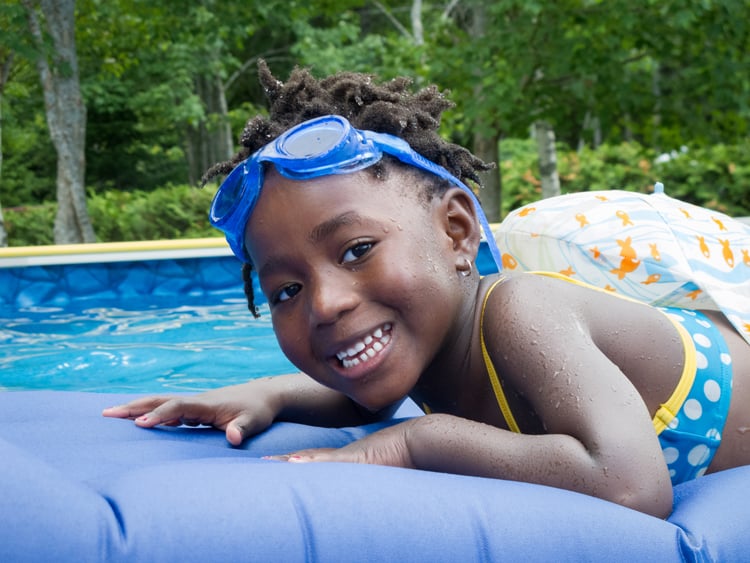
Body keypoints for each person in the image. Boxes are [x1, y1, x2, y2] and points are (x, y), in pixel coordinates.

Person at [103, 61, 750, 518]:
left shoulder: (522, 312)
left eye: (357, 250)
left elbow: (633, 485)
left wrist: (417, 441)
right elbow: (364, 396)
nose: (325, 303)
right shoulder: (425, 337)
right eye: (286, 290)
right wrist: (268, 393)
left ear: (457, 232)